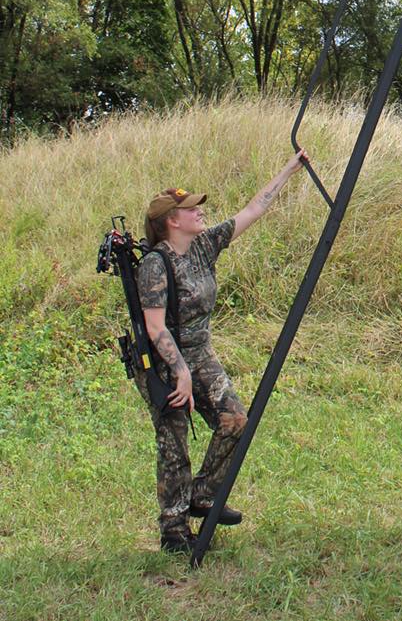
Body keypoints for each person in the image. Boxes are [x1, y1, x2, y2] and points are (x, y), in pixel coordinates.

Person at [137, 148, 310, 554]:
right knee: (174, 439)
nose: (200, 213)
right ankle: (174, 530)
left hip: (200, 354)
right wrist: (179, 372)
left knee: (234, 420)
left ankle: (202, 493)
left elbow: (254, 208)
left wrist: (290, 168)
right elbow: (155, 326)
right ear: (171, 221)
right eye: (191, 209)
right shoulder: (156, 264)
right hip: (166, 363)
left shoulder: (204, 244)